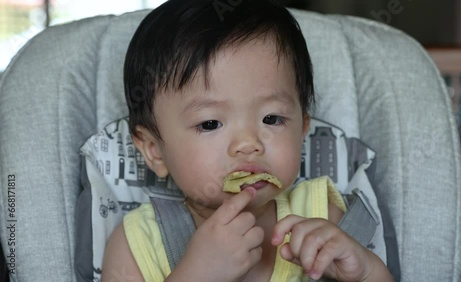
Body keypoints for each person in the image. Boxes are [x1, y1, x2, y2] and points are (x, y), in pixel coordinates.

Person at [102, 0, 393, 281]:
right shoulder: (137, 243)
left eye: (272, 119)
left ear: (303, 129)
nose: (248, 143)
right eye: (210, 123)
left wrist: (366, 272)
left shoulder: (321, 217)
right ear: (155, 151)